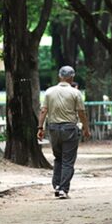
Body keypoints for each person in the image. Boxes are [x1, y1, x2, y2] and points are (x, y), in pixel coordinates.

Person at [37, 65, 90, 199]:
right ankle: (63, 189)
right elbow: (81, 112)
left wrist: (40, 128)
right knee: (68, 160)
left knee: (58, 158)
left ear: (60, 76)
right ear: (72, 77)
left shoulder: (49, 92)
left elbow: (43, 110)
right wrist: (86, 128)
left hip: (53, 128)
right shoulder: (75, 93)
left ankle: (56, 185)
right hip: (69, 129)